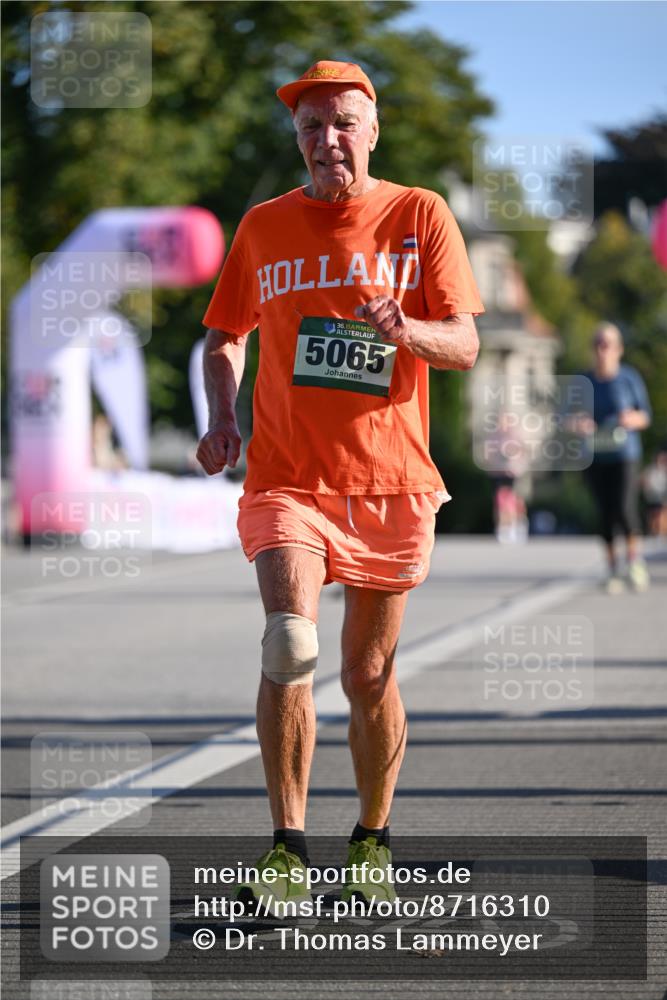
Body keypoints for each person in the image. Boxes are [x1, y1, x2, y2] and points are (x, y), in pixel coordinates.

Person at [196, 60, 484, 914]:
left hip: (391, 480)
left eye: (344, 123)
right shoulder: (262, 226)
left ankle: (371, 837)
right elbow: (223, 338)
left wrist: (408, 329)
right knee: (290, 645)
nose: (328, 139)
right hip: (287, 479)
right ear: (298, 137)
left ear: (372, 130)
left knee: (366, 677)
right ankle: (286, 850)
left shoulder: (417, 214)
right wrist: (223, 417)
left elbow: (465, 344)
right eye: (312, 125)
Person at [578, 323, 652, 593]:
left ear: (618, 349)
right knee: (605, 514)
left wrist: (629, 419)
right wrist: (579, 423)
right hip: (597, 455)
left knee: (624, 508)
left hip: (625, 455)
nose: (602, 349)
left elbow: (645, 416)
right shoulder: (584, 381)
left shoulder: (629, 379)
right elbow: (565, 416)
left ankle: (635, 562)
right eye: (598, 343)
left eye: (607, 343)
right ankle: (613, 569)